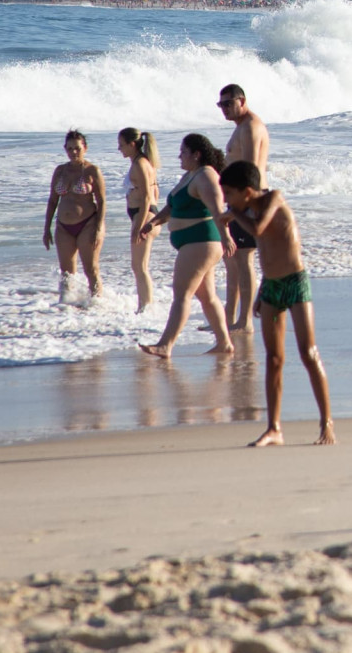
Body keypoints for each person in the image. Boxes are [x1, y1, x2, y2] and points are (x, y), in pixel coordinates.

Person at [220, 160, 335, 447]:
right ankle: (274, 428)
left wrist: (233, 214)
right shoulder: (245, 208)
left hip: (295, 284)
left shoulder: (273, 198)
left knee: (308, 352)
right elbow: (266, 251)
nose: (227, 200)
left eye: (230, 194)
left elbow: (259, 230)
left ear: (247, 191)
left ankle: (327, 422)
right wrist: (260, 292)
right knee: (274, 359)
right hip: (271, 288)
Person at [140, 134, 235, 359]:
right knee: (207, 296)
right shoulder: (189, 175)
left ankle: (165, 345)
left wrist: (227, 237)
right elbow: (172, 208)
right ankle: (224, 343)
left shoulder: (206, 176)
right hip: (194, 243)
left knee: (182, 294)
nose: (179, 156)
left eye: (183, 152)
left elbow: (218, 210)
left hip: (201, 242)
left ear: (196, 154)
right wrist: (153, 222)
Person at [217, 84, 269, 331]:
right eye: (221, 105)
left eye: (228, 103)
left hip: (249, 199)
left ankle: (245, 321)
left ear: (242, 100)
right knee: (235, 260)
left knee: (244, 259)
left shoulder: (250, 127)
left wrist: (239, 207)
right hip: (242, 199)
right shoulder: (242, 127)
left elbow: (251, 171)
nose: (224, 109)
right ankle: (230, 317)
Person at [43, 130, 105, 305]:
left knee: (90, 269)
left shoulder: (93, 171)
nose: (74, 152)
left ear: (85, 148)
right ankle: (67, 305)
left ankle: (96, 305)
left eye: (77, 148)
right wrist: (46, 228)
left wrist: (99, 228)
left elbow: (101, 202)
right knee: (67, 272)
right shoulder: (60, 171)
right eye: (70, 149)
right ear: (65, 149)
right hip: (63, 227)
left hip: (88, 224)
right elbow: (53, 200)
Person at [117, 128, 159, 313]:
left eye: (122, 145)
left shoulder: (141, 164)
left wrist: (139, 226)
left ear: (132, 144)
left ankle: (145, 308)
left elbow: (147, 197)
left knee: (140, 267)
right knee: (139, 266)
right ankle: (144, 306)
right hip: (143, 215)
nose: (119, 149)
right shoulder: (139, 162)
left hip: (145, 215)